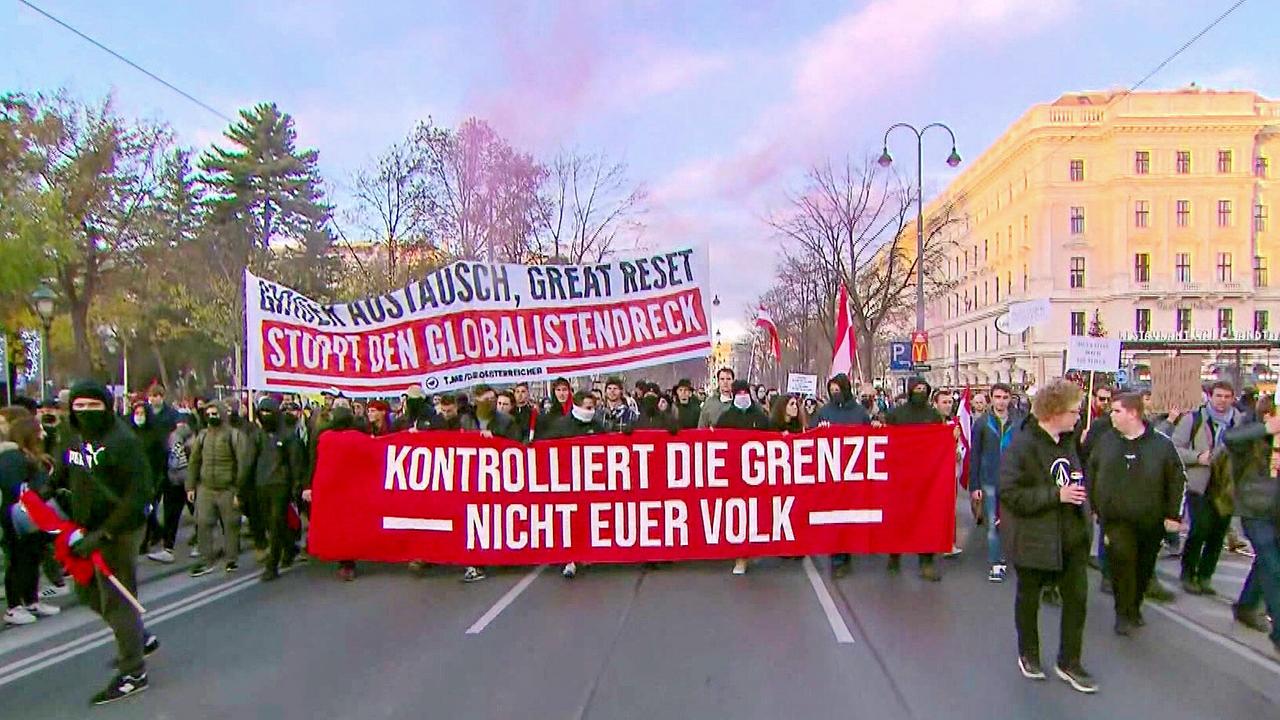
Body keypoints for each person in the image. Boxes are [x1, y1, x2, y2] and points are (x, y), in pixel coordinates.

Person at [62, 381, 157, 704]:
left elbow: (139, 493)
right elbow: (66, 471)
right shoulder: (73, 437)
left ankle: (134, 672)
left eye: (93, 406)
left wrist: (104, 534)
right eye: (80, 407)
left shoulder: (123, 441)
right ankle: (137, 636)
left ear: (107, 406)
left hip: (119, 529)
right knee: (86, 591)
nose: (86, 413)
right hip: (85, 528)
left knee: (117, 601)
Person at [999, 379, 1096, 694]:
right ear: (1054, 412)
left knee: (1077, 602)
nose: (1077, 416)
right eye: (1072, 411)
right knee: (1029, 600)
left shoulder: (1070, 442)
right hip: (1035, 538)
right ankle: (1029, 653)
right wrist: (1056, 495)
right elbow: (1011, 493)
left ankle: (1070, 661)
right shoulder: (1023, 445)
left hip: (1072, 539)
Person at [1088, 393, 1185, 636]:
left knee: (1143, 568)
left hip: (1150, 519)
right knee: (1122, 566)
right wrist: (1092, 505)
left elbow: (1176, 480)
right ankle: (1123, 613)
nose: (1112, 415)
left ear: (1133, 414)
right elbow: (1091, 472)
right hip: (1116, 520)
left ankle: (1135, 606)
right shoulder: (1106, 442)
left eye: (1117, 411)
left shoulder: (1161, 445)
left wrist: (1174, 515)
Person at [1172, 381, 1244, 595]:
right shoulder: (1193, 419)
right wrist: (1197, 457)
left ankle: (1205, 576)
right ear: (1210, 397)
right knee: (1200, 528)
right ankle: (1188, 573)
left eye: (1227, 397)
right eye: (1219, 396)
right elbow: (1174, 449)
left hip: (1226, 486)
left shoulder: (1240, 422)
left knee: (1218, 532)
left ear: (1233, 399)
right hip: (1199, 485)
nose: (1222, 401)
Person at [1222, 396, 1280, 654]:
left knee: (1266, 562)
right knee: (1272, 564)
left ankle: (1246, 606)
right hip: (1255, 508)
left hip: (1276, 510)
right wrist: (1267, 430)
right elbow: (1230, 438)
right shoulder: (1249, 436)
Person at [1, 409, 61, 625]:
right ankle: (13, 606)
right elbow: (15, 488)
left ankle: (31, 600)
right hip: (16, 517)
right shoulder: (12, 457)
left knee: (32, 557)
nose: (43, 434)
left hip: (32, 516)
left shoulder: (29, 456)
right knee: (18, 560)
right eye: (39, 431)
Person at [810, 374, 871, 577]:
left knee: (850, 516)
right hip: (830, 474)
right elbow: (810, 436)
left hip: (853, 474)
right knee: (834, 516)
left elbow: (870, 438)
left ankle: (848, 553)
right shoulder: (824, 412)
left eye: (838, 389)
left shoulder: (859, 412)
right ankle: (837, 558)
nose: (835, 393)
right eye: (832, 390)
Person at [885, 377, 944, 581]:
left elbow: (939, 442)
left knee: (925, 519)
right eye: (916, 389)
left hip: (926, 477)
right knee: (898, 519)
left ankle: (926, 562)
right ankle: (894, 556)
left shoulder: (933, 415)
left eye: (923, 388)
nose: (920, 391)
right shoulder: (896, 414)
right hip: (901, 476)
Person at [541, 391, 604, 578]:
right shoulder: (561, 426)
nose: (592, 411)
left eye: (593, 408)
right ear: (577, 406)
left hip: (590, 483)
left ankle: (584, 554)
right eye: (588, 408)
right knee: (569, 522)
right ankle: (569, 559)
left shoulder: (596, 426)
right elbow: (544, 446)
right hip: (567, 484)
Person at [714, 380, 770, 575]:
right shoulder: (725, 417)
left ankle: (753, 549)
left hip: (757, 476)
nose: (742, 396)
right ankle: (740, 557)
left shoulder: (760, 417)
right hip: (733, 476)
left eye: (746, 393)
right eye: (739, 393)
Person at [969, 383, 1024, 583]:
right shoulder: (982, 423)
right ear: (991, 398)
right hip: (989, 479)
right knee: (993, 523)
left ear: (1010, 399)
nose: (1001, 401)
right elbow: (975, 455)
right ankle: (996, 562)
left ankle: (1014, 556)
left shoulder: (1020, 422)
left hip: (1014, 479)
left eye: (1005, 397)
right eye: (997, 397)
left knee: (1014, 521)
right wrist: (974, 485)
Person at [187, 402, 246, 576]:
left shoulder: (234, 436)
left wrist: (239, 491)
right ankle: (206, 559)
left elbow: (242, 464)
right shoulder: (203, 436)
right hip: (206, 488)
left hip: (228, 488)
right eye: (209, 414)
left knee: (231, 525)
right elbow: (194, 462)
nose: (212, 417)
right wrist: (190, 486)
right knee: (203, 523)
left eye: (215, 413)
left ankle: (231, 559)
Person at [148, 417, 195, 564]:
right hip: (173, 482)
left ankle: (201, 544)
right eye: (178, 423)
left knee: (197, 512)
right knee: (170, 515)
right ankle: (168, 548)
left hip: (188, 482)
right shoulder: (170, 440)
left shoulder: (193, 441)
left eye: (183, 423)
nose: (180, 426)